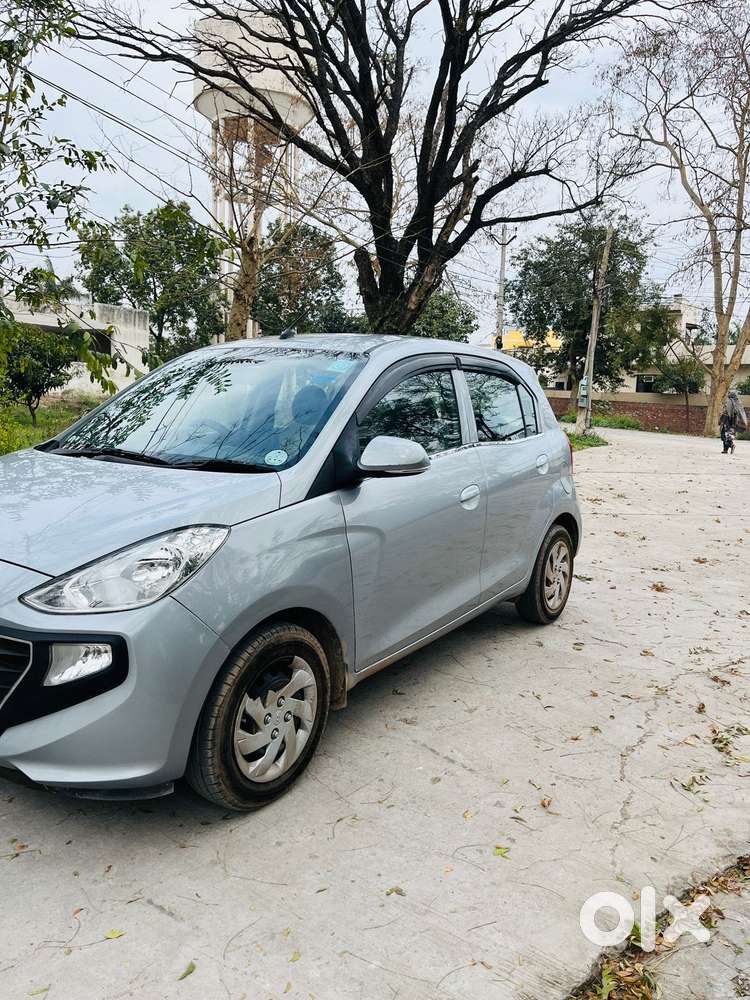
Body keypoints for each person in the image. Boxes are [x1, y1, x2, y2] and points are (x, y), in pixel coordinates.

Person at [720, 389, 748, 454]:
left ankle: (731, 445)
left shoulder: (729, 401)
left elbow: (726, 411)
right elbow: (741, 412)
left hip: (728, 420)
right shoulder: (738, 402)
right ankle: (726, 449)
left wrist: (722, 420)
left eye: (729, 393)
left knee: (724, 434)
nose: (728, 394)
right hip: (734, 421)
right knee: (729, 434)